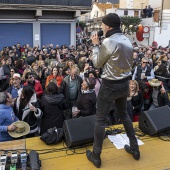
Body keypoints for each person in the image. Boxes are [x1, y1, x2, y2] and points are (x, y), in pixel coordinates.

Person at [86, 13, 140, 168]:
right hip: (124, 84)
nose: (102, 27)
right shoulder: (126, 40)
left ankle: (96, 155)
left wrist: (96, 45)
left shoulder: (109, 41)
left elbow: (96, 64)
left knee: (100, 120)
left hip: (109, 85)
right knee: (124, 115)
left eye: (103, 24)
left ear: (108, 26)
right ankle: (135, 149)